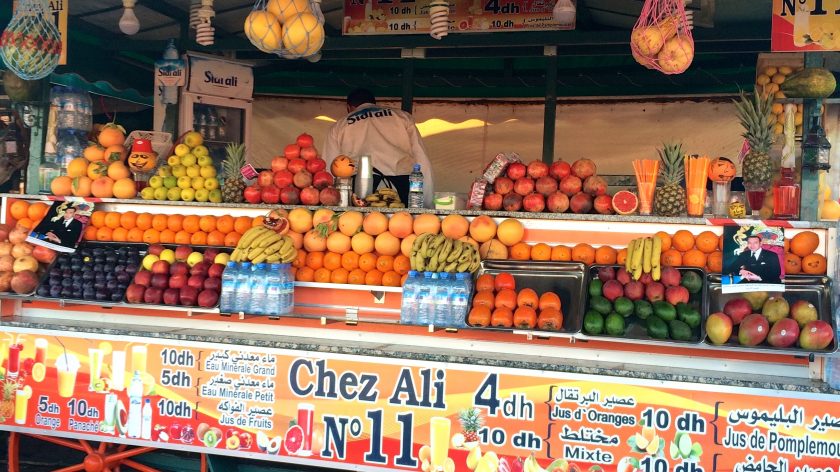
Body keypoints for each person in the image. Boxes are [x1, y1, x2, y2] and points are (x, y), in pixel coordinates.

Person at [323, 88, 434, 207]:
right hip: (402, 185)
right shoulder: (402, 117)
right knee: (402, 223)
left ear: (349, 107)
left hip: (361, 188)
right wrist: (427, 203)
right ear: (374, 103)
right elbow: (421, 158)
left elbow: (331, 167)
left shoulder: (340, 126)